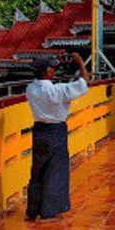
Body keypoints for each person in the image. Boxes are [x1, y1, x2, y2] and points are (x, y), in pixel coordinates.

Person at [25, 53, 89, 221]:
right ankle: (49, 212)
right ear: (47, 71)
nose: (54, 70)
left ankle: (32, 210)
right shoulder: (57, 90)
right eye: (52, 68)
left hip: (39, 130)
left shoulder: (30, 89)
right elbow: (84, 83)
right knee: (56, 171)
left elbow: (44, 83)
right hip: (56, 130)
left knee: (37, 170)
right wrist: (80, 63)